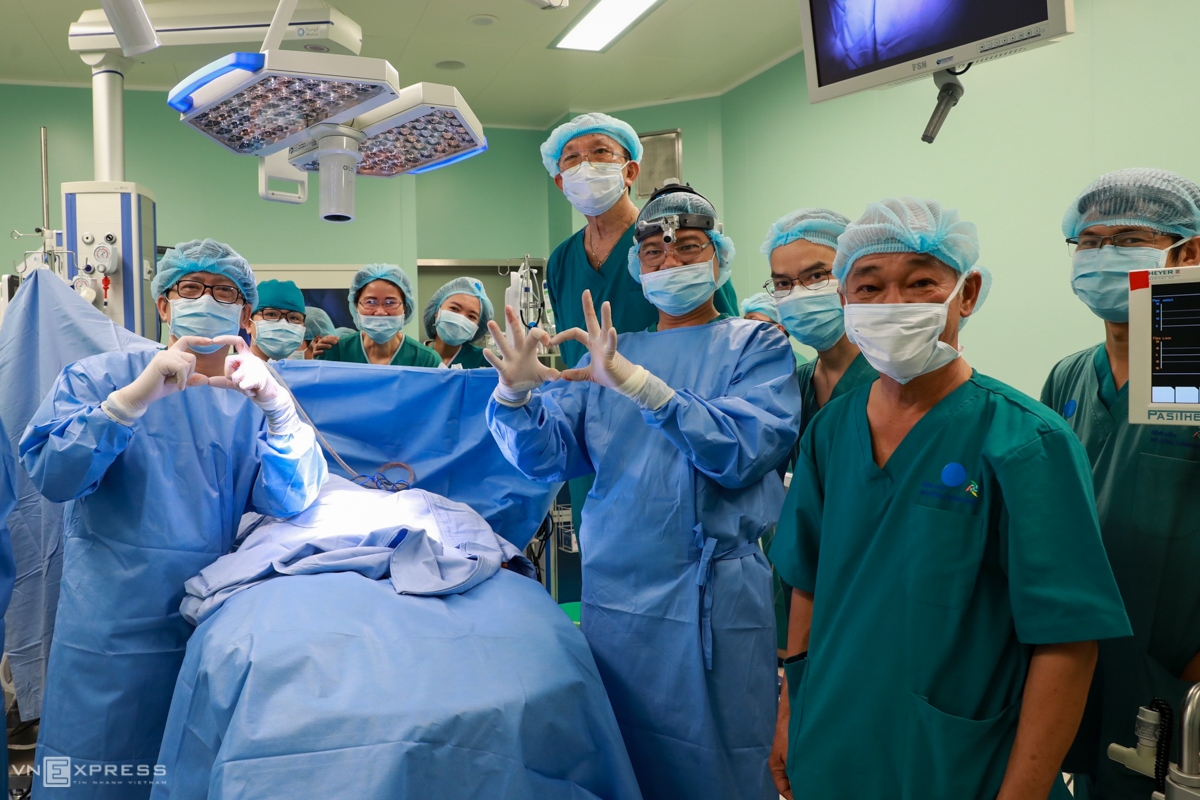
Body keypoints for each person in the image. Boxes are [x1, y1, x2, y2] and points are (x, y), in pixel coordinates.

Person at [768, 198, 1132, 800]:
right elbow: (804, 581)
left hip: (959, 762)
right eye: (869, 286)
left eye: (920, 283)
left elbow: (1067, 642)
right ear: (845, 298)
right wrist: (790, 711)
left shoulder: (1025, 441)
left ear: (966, 294)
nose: (893, 306)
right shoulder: (830, 433)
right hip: (832, 739)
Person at [485, 184, 800, 800]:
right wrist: (515, 397)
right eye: (653, 252)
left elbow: (741, 452)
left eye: (687, 248)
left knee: (724, 767)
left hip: (712, 602)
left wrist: (642, 388)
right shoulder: (612, 354)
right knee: (623, 761)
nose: (668, 262)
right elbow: (547, 457)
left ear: (719, 259)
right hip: (616, 603)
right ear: (636, 266)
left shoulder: (756, 346)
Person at [20, 238, 327, 799]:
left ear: (243, 312)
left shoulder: (254, 392)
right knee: (98, 771)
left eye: (224, 291)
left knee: (192, 768)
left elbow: (293, 500)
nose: (207, 298)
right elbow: (53, 476)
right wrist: (129, 402)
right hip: (109, 625)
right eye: (191, 287)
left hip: (213, 617)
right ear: (164, 305)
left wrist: (281, 415)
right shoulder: (101, 376)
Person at [1043, 169, 1200, 800]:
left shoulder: (1184, 355)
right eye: (1089, 242)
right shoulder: (1069, 377)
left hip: (1180, 681)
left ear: (1186, 252)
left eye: (1127, 238)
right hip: (1089, 665)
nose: (1103, 256)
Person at [541, 113, 738, 370]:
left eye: (600, 151)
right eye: (571, 157)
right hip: (588, 403)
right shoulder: (561, 260)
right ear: (561, 181)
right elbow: (571, 352)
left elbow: (724, 331)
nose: (585, 165)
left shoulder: (675, 243)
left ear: (630, 171)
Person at [316, 263, 441, 367]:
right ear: (356, 306)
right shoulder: (334, 353)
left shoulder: (426, 360)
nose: (380, 312)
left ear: (405, 307)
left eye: (390, 302)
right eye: (370, 302)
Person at [421, 277, 495, 369]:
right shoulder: (416, 357)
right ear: (437, 311)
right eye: (454, 309)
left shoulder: (486, 361)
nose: (461, 319)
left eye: (471, 316)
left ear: (477, 327)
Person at [249, 279, 307, 361]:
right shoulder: (231, 370)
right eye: (271, 314)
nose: (283, 324)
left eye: (294, 317)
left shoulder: (303, 373)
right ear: (248, 323)